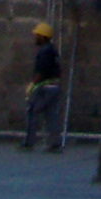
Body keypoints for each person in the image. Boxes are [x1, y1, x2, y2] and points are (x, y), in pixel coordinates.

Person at [21, 21, 65, 151]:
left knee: (32, 112)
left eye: (37, 35)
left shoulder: (44, 52)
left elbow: (41, 70)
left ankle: (29, 142)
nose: (35, 37)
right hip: (55, 87)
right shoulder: (53, 51)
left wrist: (32, 85)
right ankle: (54, 143)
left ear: (43, 36)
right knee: (52, 115)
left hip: (44, 88)